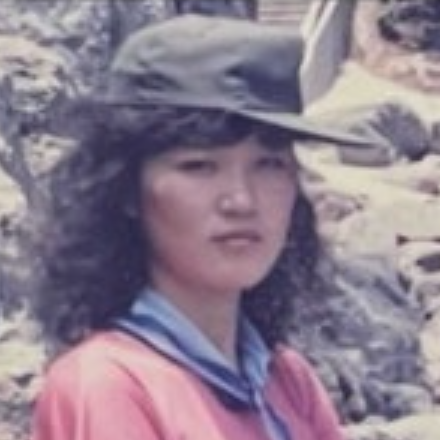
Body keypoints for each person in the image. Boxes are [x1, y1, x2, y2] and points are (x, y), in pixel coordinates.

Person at [30, 14, 373, 440]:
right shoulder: (109, 384)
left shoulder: (288, 380)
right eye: (199, 166)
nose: (241, 200)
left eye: (269, 164)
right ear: (127, 190)